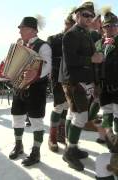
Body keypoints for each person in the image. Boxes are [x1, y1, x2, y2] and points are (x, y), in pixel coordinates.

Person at [59, 1, 103, 171]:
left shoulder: (86, 33)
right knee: (81, 117)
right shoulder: (71, 34)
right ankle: (69, 152)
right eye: (85, 14)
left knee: (73, 115)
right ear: (77, 15)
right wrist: (91, 59)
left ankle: (73, 147)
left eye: (91, 15)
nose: (89, 18)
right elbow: (70, 61)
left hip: (82, 81)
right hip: (74, 81)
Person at [8, 16, 52, 166]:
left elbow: (48, 66)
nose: (20, 31)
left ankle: (36, 151)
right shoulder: (19, 44)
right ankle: (18, 145)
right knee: (17, 117)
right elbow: (11, 62)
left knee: (36, 120)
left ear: (33, 30)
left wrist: (36, 74)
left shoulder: (43, 46)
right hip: (18, 87)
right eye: (20, 29)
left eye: (23, 28)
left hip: (36, 89)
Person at [46, 10, 76, 152]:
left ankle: (61, 132)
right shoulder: (53, 39)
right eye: (69, 24)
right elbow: (46, 61)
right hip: (57, 77)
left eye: (73, 25)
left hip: (71, 77)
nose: (70, 27)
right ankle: (52, 136)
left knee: (67, 105)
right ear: (65, 23)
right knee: (58, 105)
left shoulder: (76, 39)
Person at [95, 9, 118, 139]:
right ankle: (109, 139)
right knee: (106, 112)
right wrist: (95, 84)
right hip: (103, 86)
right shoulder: (98, 44)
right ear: (103, 28)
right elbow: (94, 66)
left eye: (115, 25)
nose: (111, 28)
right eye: (107, 25)